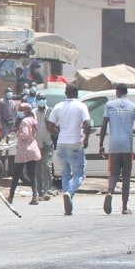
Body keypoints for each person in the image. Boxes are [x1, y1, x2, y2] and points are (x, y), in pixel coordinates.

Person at [47, 83, 92, 215]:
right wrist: (86, 138)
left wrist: (59, 134)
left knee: (65, 173)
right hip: (75, 143)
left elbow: (50, 125)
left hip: (61, 144)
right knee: (79, 174)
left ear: (65, 93)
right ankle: (70, 193)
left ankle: (67, 195)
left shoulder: (58, 106)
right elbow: (87, 124)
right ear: (77, 94)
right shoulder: (81, 106)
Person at [98, 84, 135, 214]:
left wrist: (101, 144)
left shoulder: (109, 105)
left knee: (113, 173)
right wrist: (130, 130)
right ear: (126, 92)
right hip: (127, 147)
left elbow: (104, 125)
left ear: (117, 92)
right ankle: (124, 207)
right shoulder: (134, 106)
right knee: (126, 177)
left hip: (114, 146)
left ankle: (110, 192)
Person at [7, 102, 43, 205]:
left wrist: (18, 133)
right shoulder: (33, 120)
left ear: (26, 111)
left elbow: (25, 135)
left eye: (21, 110)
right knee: (32, 175)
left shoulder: (24, 121)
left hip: (23, 151)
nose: (19, 112)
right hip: (33, 149)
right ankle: (35, 196)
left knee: (16, 175)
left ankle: (11, 196)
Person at [33, 100, 55, 202]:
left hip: (48, 142)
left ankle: (47, 189)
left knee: (47, 166)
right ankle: (40, 191)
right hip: (37, 144)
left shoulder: (50, 111)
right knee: (38, 168)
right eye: (39, 99)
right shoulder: (34, 113)